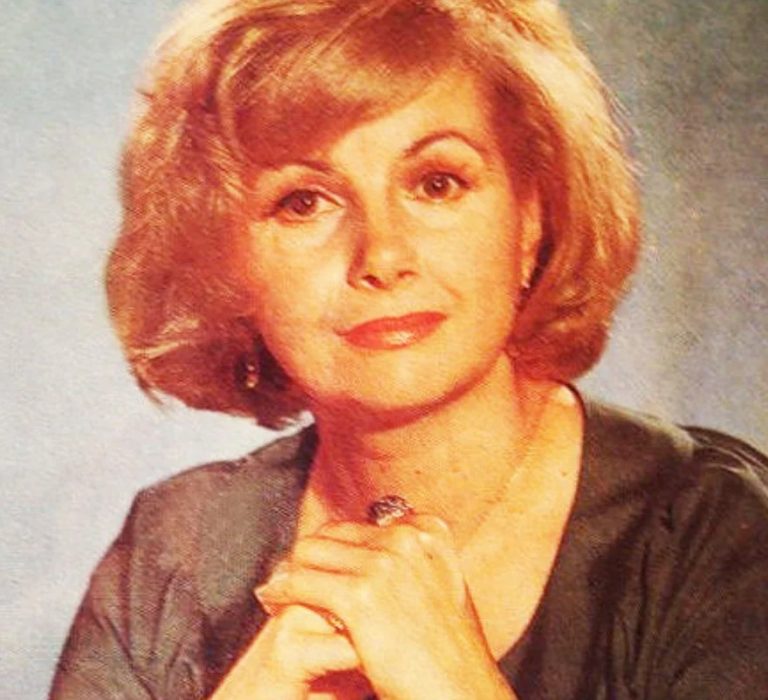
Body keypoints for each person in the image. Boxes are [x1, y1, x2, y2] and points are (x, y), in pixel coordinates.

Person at [50, 0, 768, 698]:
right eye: (304, 201)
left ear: (531, 219)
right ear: (227, 264)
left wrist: (453, 684)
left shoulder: (714, 530)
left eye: (436, 184)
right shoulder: (170, 556)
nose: (382, 256)